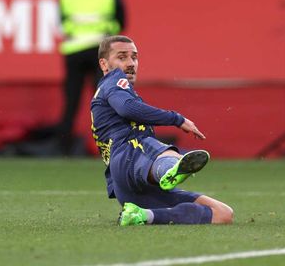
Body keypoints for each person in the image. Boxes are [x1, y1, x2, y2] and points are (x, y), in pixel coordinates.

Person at [90, 35, 233, 226]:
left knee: (223, 214)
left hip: (128, 183)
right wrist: (177, 119)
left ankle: (142, 215)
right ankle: (169, 168)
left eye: (134, 57)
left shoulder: (110, 90)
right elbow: (127, 108)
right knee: (153, 146)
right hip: (130, 154)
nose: (131, 63)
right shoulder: (114, 81)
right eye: (122, 57)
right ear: (104, 64)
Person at [56, 0, 125, 154]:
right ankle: (112, 146)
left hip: (74, 48)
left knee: (71, 101)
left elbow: (61, 16)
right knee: (105, 100)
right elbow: (121, 16)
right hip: (100, 48)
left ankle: (63, 147)